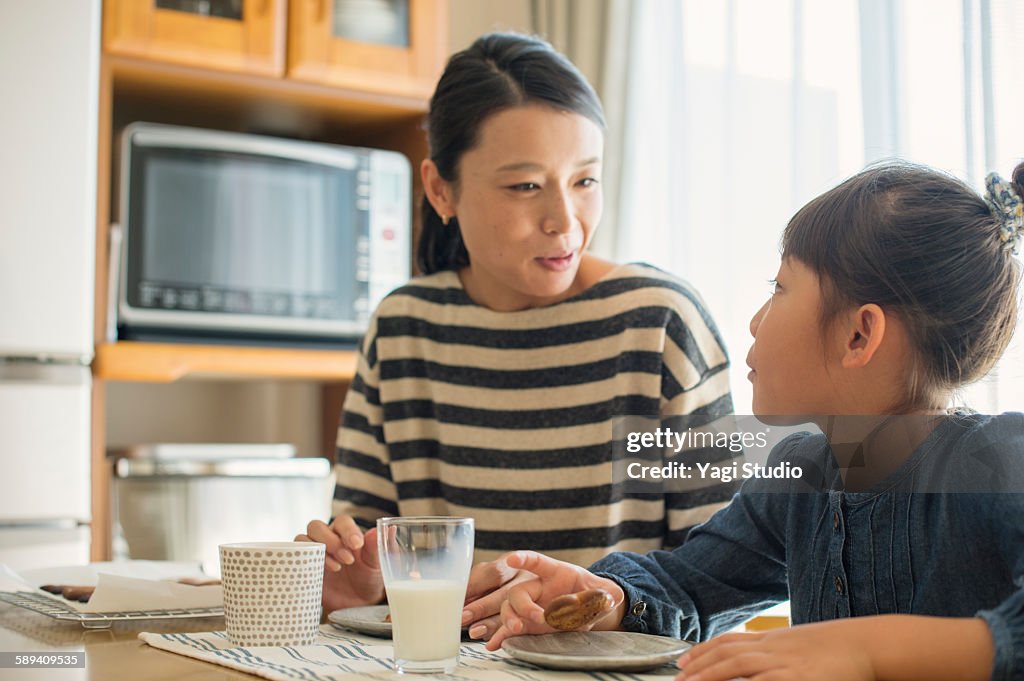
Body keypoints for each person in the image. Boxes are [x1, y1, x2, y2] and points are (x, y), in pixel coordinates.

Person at [475, 160, 1024, 681]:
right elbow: (690, 587)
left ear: (859, 335)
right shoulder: (803, 472)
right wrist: (606, 598)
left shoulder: (999, 460)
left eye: (779, 288)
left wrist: (865, 650)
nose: (757, 321)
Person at [296, 32, 738, 634]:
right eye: (526, 185)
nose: (564, 221)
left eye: (585, 180)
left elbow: (727, 576)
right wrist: (361, 585)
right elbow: (370, 566)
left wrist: (603, 606)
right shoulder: (402, 330)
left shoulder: (660, 322)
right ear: (440, 189)